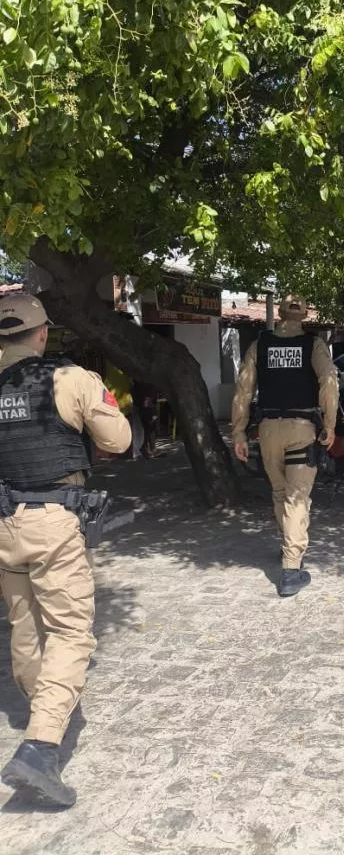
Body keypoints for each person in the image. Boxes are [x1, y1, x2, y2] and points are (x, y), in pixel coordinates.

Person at [0, 294, 131, 807]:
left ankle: (44, 710)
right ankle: (41, 747)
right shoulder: (69, 378)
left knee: (25, 625)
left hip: (4, 523)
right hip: (53, 521)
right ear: (42, 334)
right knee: (71, 631)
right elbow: (118, 440)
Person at [231, 296, 339, 597]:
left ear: (278, 313)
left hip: (268, 431)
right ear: (304, 316)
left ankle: (288, 543)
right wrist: (330, 423)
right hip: (301, 429)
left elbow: (243, 389)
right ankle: (291, 569)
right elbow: (329, 381)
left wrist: (238, 432)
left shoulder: (260, 345)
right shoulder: (313, 345)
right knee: (296, 497)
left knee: (280, 493)